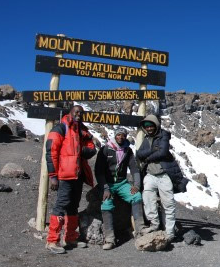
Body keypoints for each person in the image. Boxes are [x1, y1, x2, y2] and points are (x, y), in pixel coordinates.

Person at [45, 105, 96, 254]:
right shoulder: (60, 128)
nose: (79, 115)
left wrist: (85, 148)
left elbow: (91, 149)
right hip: (64, 175)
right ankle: (52, 240)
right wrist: (53, 177)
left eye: (81, 113)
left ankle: (70, 237)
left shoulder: (82, 130)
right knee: (61, 205)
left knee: (73, 206)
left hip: (78, 175)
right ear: (70, 113)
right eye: (76, 112)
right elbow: (51, 153)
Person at [95, 127, 147, 250]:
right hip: (108, 184)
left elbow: (134, 169)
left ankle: (140, 230)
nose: (120, 137)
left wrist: (137, 185)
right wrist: (105, 188)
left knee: (136, 196)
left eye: (123, 135)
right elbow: (99, 171)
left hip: (122, 183)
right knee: (106, 203)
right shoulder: (106, 149)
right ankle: (110, 238)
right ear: (115, 135)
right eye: (118, 135)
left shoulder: (127, 150)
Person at [136, 114, 184, 241]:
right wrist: (153, 150)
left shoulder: (163, 135)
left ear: (156, 125)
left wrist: (148, 157)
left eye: (151, 125)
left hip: (164, 174)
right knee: (147, 198)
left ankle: (169, 233)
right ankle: (154, 224)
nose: (149, 128)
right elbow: (139, 153)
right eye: (146, 126)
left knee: (168, 204)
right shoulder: (146, 139)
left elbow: (163, 152)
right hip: (150, 175)